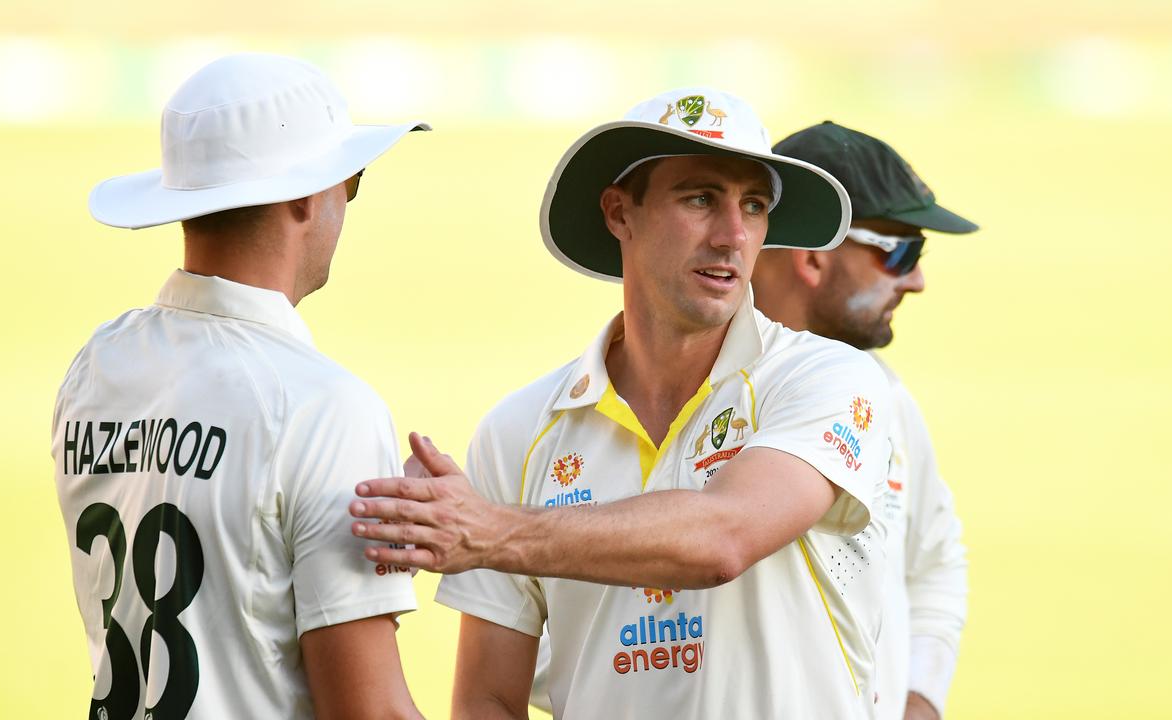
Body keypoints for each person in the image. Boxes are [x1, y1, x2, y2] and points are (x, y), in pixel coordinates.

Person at [349, 88, 893, 718]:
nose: (734, 235)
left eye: (754, 205)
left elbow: (724, 538)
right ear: (618, 212)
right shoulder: (519, 429)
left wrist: (491, 532)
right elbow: (488, 699)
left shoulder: (827, 379)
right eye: (700, 198)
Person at [52, 53, 429, 719]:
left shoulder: (96, 366)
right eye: (352, 183)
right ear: (302, 199)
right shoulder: (324, 408)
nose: (348, 203)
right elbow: (369, 711)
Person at [753, 121, 973, 720]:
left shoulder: (886, 395)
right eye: (901, 251)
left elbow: (935, 563)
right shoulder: (683, 394)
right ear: (813, 256)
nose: (918, 279)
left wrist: (919, 702)